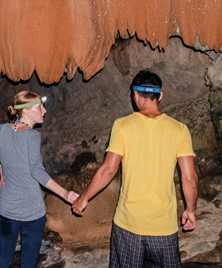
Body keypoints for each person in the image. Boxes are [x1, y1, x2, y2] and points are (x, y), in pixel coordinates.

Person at [71, 69, 198, 268]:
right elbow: (189, 177)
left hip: (128, 225)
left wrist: (84, 198)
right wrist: (190, 210)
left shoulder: (122, 125)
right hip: (163, 227)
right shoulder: (179, 129)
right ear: (160, 95)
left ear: (135, 95)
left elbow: (108, 170)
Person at [0, 91, 79, 268]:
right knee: (27, 262)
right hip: (32, 213)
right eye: (39, 107)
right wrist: (65, 194)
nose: (44, 111)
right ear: (25, 111)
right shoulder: (32, 136)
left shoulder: (1, 130)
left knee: (4, 258)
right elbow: (37, 171)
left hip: (6, 211)